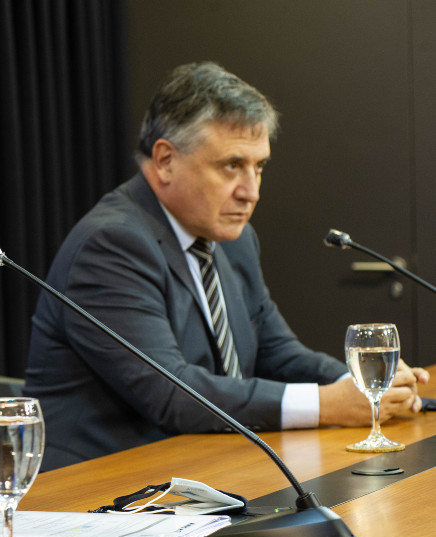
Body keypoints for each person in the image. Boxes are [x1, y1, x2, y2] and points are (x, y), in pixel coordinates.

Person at [23, 62, 428, 471]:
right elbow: (173, 393)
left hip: (202, 471)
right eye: (231, 165)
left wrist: (362, 386)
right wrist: (327, 405)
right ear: (165, 160)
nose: (250, 192)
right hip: (99, 491)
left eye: (259, 167)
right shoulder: (111, 244)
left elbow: (276, 351)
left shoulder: (232, 238)